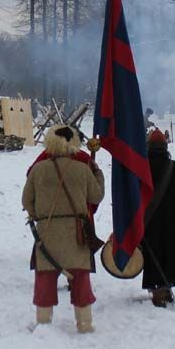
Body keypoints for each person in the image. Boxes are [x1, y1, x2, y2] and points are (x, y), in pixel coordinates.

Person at [21, 126, 105, 332]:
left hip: (47, 230)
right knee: (81, 278)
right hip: (77, 232)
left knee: (45, 278)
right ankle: (85, 324)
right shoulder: (83, 169)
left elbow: (26, 200)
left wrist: (38, 216)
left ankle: (43, 323)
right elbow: (96, 196)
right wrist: (98, 173)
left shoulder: (38, 169)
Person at [140, 130, 175, 307]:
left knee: (153, 254)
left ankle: (157, 289)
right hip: (174, 222)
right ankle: (166, 287)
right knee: (171, 254)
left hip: (150, 222)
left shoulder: (141, 170)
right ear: (165, 147)